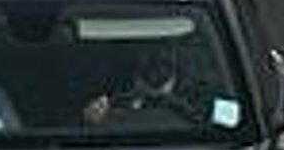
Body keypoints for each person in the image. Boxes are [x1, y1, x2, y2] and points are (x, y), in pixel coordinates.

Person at [81, 42, 215, 131]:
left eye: (165, 49)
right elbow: (80, 128)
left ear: (175, 54)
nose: (158, 56)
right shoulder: (108, 90)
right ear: (138, 55)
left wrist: (182, 107)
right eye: (150, 50)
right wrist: (92, 117)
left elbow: (219, 126)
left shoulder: (199, 93)